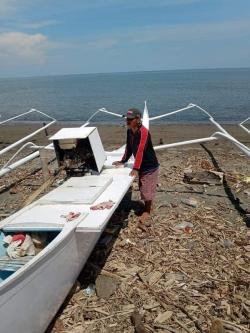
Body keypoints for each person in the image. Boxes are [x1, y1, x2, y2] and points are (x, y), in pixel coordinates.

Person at [113, 108, 159, 225]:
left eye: (130, 119)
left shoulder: (144, 132)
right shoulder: (129, 131)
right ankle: (146, 206)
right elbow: (129, 147)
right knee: (142, 187)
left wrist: (136, 168)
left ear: (138, 119)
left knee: (146, 189)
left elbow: (140, 151)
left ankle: (148, 210)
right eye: (127, 119)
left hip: (149, 165)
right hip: (140, 165)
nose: (127, 121)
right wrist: (123, 161)